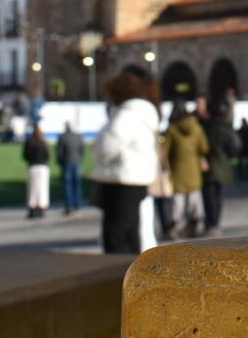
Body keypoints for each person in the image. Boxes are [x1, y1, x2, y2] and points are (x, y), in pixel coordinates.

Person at [91, 73, 161, 253]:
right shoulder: (144, 113)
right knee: (131, 232)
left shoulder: (127, 116)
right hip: (136, 177)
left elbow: (106, 147)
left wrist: (98, 149)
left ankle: (119, 276)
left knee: (116, 234)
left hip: (122, 179)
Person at [164, 99, 209, 239]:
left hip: (177, 169)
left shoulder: (172, 129)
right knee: (195, 198)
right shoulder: (197, 127)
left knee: (178, 201)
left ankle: (175, 226)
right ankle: (197, 224)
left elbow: (165, 150)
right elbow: (204, 147)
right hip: (194, 169)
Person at [198, 95, 238, 237]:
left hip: (210, 164)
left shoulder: (207, 126)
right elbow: (232, 147)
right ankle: (215, 223)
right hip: (222, 164)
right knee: (217, 195)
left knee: (209, 196)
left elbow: (204, 146)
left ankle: (211, 223)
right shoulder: (224, 125)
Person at [57, 121, 85, 215]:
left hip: (67, 163)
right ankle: (77, 205)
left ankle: (69, 206)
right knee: (77, 185)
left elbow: (59, 152)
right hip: (76, 162)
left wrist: (61, 163)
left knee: (68, 186)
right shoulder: (77, 136)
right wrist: (80, 159)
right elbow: (82, 150)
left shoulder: (62, 137)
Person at [23, 126, 50, 218]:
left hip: (33, 166)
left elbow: (25, 155)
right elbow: (47, 155)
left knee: (32, 188)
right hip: (42, 167)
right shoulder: (43, 143)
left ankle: (32, 207)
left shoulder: (29, 143)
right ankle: (42, 208)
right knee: (42, 188)